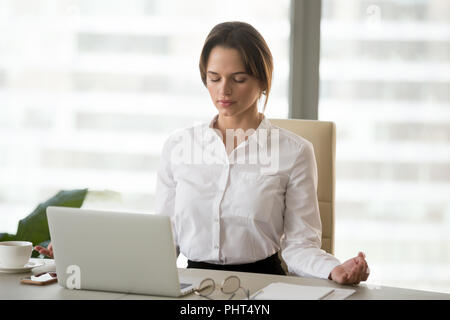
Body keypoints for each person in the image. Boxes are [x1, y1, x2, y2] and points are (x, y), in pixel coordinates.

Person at [37, 21, 369, 285]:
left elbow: (299, 246)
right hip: (190, 285)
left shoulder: (295, 152)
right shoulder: (179, 147)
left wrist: (334, 269)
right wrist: (83, 256)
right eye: (214, 78)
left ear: (263, 81)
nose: (223, 90)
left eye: (238, 79)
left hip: (263, 287)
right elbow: (163, 245)